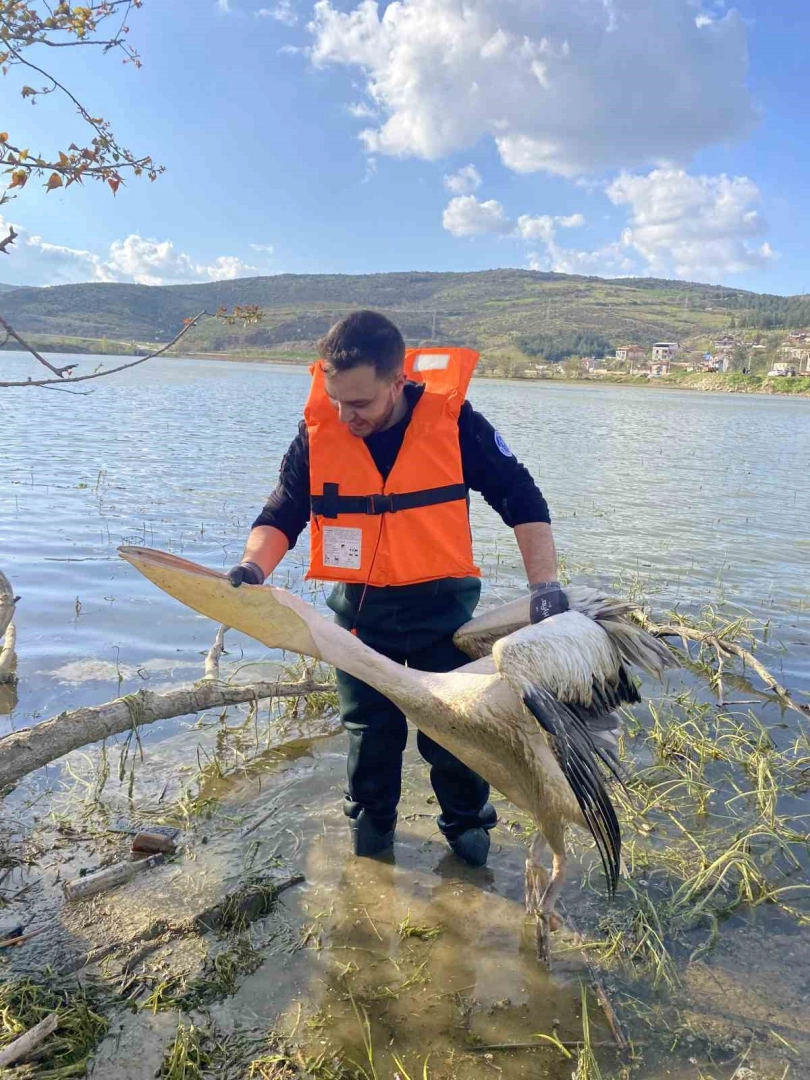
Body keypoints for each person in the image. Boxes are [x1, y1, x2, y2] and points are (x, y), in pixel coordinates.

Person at [228, 311, 567, 867]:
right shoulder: (319, 431)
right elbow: (283, 511)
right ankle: (371, 851)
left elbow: (522, 498)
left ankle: (468, 837)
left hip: (445, 615)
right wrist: (252, 567)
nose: (346, 416)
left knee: (457, 737)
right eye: (337, 400)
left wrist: (545, 588)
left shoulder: (455, 423)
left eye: (360, 403)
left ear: (397, 381)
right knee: (370, 737)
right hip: (361, 619)